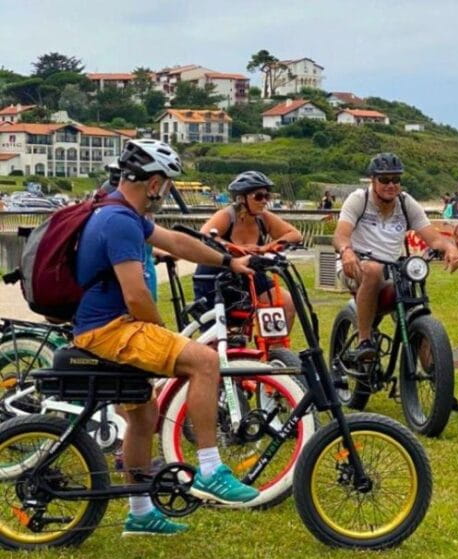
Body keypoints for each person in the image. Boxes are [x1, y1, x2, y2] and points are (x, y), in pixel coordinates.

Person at [72, 139, 260, 536]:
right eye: (168, 184)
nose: (167, 192)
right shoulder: (119, 221)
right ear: (154, 182)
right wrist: (161, 335)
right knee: (205, 360)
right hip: (112, 330)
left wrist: (229, 260)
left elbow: (177, 242)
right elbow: (136, 293)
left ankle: (139, 513)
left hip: (102, 327)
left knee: (144, 413)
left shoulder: (123, 214)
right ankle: (210, 468)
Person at [333, 152, 458, 413]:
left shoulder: (406, 203)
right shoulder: (358, 200)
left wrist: (450, 249)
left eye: (396, 180)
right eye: (384, 179)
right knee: (373, 270)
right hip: (356, 266)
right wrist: (347, 252)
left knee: (413, 307)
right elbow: (340, 236)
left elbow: (433, 238)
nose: (391, 185)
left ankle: (439, 384)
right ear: (373, 180)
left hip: (394, 271)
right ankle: (364, 342)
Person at [194, 171, 303, 330]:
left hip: (250, 275)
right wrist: (234, 248)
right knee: (221, 340)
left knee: (285, 304)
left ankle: (276, 352)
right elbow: (204, 235)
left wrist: (266, 247)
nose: (264, 201)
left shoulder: (263, 218)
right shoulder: (226, 216)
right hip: (216, 277)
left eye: (267, 196)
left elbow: (295, 234)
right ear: (241, 198)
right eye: (259, 196)